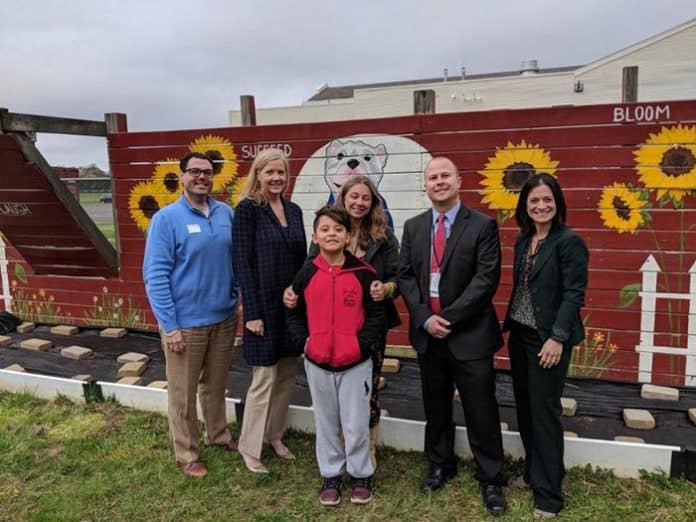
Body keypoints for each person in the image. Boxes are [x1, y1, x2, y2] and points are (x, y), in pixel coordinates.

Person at [397, 156, 507, 515]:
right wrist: (424, 318)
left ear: (459, 181)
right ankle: (440, 463)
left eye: (446, 176)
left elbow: (485, 279)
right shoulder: (413, 227)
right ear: (425, 185)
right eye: (433, 177)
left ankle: (491, 477)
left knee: (481, 409)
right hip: (429, 335)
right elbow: (406, 276)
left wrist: (447, 318)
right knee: (436, 405)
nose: (439, 182)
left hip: (469, 335)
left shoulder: (482, 226)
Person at [284, 175, 400, 469]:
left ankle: (365, 449)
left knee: (367, 390)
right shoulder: (328, 230)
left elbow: (400, 276)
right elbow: (308, 274)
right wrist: (292, 294)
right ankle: (336, 451)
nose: (359, 202)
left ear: (373, 202)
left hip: (370, 325)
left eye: (366, 198)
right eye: (354, 196)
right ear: (343, 198)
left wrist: (386, 289)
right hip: (330, 327)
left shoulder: (383, 236)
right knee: (330, 397)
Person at [143, 151, 239, 478]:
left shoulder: (226, 213)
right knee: (182, 393)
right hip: (185, 324)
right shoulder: (166, 220)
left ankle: (218, 433)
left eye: (207, 172)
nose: (201, 177)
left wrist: (236, 293)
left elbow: (235, 258)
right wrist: (169, 327)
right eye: (195, 171)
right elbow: (155, 275)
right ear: (182, 176)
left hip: (224, 318)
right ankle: (187, 453)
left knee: (215, 384)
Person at [503, 173, 588, 519]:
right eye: (534, 200)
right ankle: (532, 473)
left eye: (547, 200)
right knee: (524, 407)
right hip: (520, 336)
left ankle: (549, 495)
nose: (540, 206)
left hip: (547, 340)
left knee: (545, 412)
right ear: (525, 205)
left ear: (557, 204)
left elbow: (573, 295)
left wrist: (556, 337)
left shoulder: (569, 242)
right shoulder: (524, 241)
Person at [286, 206, 385, 506]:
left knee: (355, 422)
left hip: (355, 363)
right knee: (326, 420)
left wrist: (360, 345)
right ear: (315, 236)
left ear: (348, 235)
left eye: (338, 230)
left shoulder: (364, 275)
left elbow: (377, 316)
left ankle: (360, 473)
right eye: (325, 229)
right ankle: (331, 473)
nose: (331, 234)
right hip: (317, 363)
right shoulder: (306, 273)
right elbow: (292, 312)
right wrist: (306, 343)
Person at [231, 149, 307, 473]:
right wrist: (252, 313)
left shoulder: (294, 209)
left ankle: (275, 436)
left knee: (287, 376)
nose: (276, 178)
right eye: (269, 172)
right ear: (258, 174)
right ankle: (250, 447)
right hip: (262, 307)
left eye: (281, 173)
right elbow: (242, 264)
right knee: (263, 379)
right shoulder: (248, 210)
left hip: (291, 307)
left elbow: (303, 260)